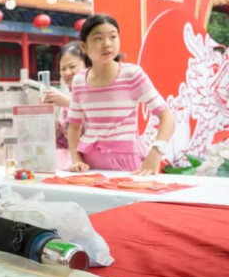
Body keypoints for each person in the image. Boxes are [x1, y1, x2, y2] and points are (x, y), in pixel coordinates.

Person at [67, 14, 174, 175]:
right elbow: (73, 127)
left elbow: (167, 116)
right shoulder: (79, 81)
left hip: (128, 162)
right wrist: (77, 159)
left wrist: (156, 152)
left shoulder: (132, 74)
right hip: (90, 164)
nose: (107, 44)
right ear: (83, 46)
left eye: (113, 37)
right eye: (98, 38)